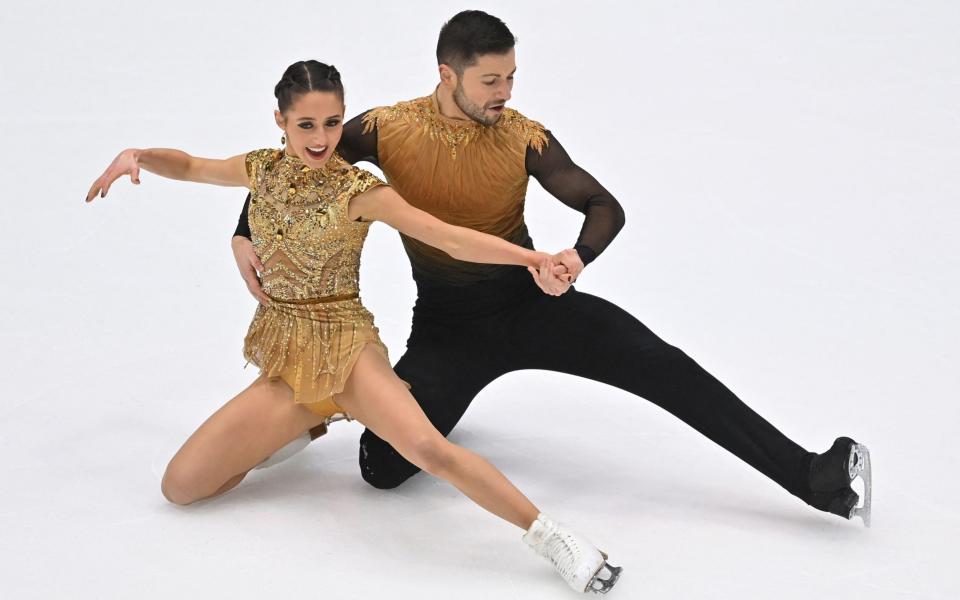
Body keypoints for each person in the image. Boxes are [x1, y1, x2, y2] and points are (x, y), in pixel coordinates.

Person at [232, 11, 873, 526]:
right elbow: (297, 164)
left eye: (511, 77)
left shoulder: (523, 136)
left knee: (663, 364)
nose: (506, 93)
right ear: (447, 75)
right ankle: (321, 415)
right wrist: (242, 230)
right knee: (380, 470)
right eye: (491, 81)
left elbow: (603, 205)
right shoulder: (386, 128)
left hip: (532, 306)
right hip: (446, 331)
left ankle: (814, 477)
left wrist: (575, 256)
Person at [86, 60, 622, 594]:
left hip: (346, 352)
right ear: (280, 120)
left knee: (429, 450)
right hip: (289, 358)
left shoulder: (360, 191)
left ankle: (553, 538)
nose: (321, 138)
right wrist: (138, 156)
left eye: (333, 123)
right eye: (306, 125)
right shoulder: (261, 170)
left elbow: (450, 237)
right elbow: (191, 166)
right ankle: (307, 423)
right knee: (182, 488)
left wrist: (529, 259)